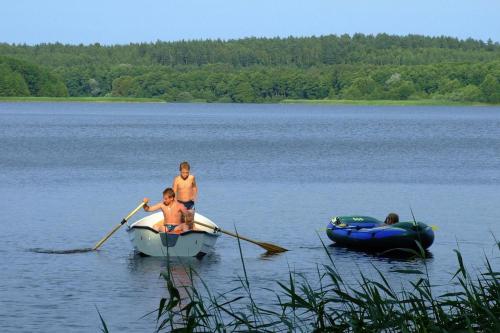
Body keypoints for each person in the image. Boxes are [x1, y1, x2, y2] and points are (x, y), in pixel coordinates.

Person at [172, 161, 197, 229]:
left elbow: (194, 187)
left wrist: (194, 196)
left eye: (187, 172)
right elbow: (173, 192)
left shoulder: (192, 178)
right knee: (181, 222)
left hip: (190, 203)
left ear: (189, 171)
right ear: (180, 171)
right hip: (180, 203)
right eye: (183, 172)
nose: (185, 174)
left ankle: (193, 233)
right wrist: (175, 203)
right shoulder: (177, 179)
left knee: (190, 222)